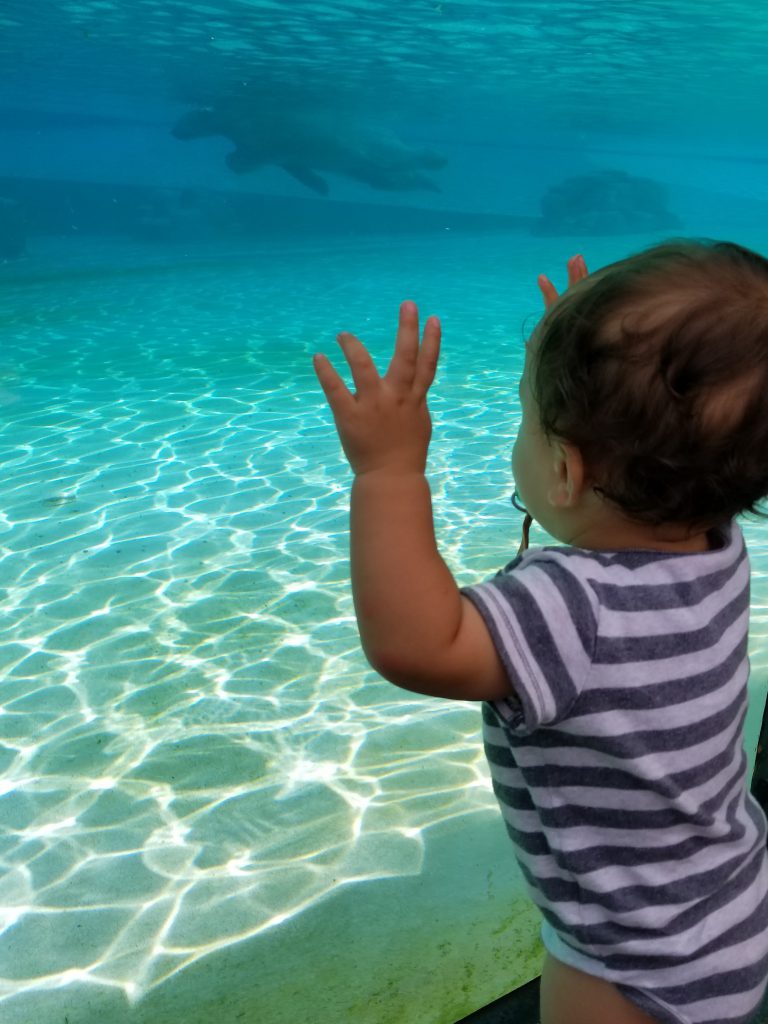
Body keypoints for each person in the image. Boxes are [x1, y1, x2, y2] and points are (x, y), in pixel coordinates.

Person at [312, 240, 768, 1024]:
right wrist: (586, 350)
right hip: (725, 899)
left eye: (528, 419)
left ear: (566, 470)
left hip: (626, 963)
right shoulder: (714, 546)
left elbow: (417, 645)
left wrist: (388, 473)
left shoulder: (574, 609)